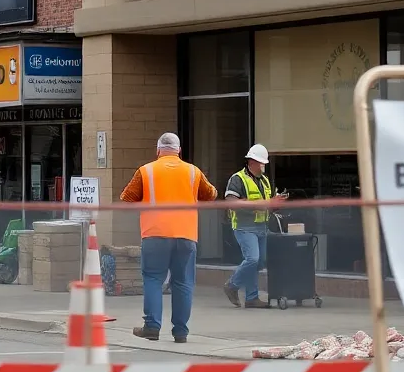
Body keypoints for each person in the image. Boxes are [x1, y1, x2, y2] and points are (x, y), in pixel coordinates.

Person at [119, 132, 217, 343]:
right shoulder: (193, 172)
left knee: (153, 279)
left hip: (154, 234)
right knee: (183, 282)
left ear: (158, 151)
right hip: (186, 235)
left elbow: (127, 197)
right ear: (179, 151)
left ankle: (152, 327)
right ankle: (181, 332)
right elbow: (211, 194)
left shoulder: (146, 171)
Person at [223, 144, 288, 309]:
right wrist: (258, 204)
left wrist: (275, 203)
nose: (263, 166)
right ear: (251, 161)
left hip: (261, 227)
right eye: (260, 163)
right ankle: (232, 285)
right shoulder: (237, 179)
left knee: (259, 262)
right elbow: (231, 202)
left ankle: (252, 298)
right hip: (244, 227)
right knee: (252, 259)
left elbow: (267, 204)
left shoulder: (264, 181)